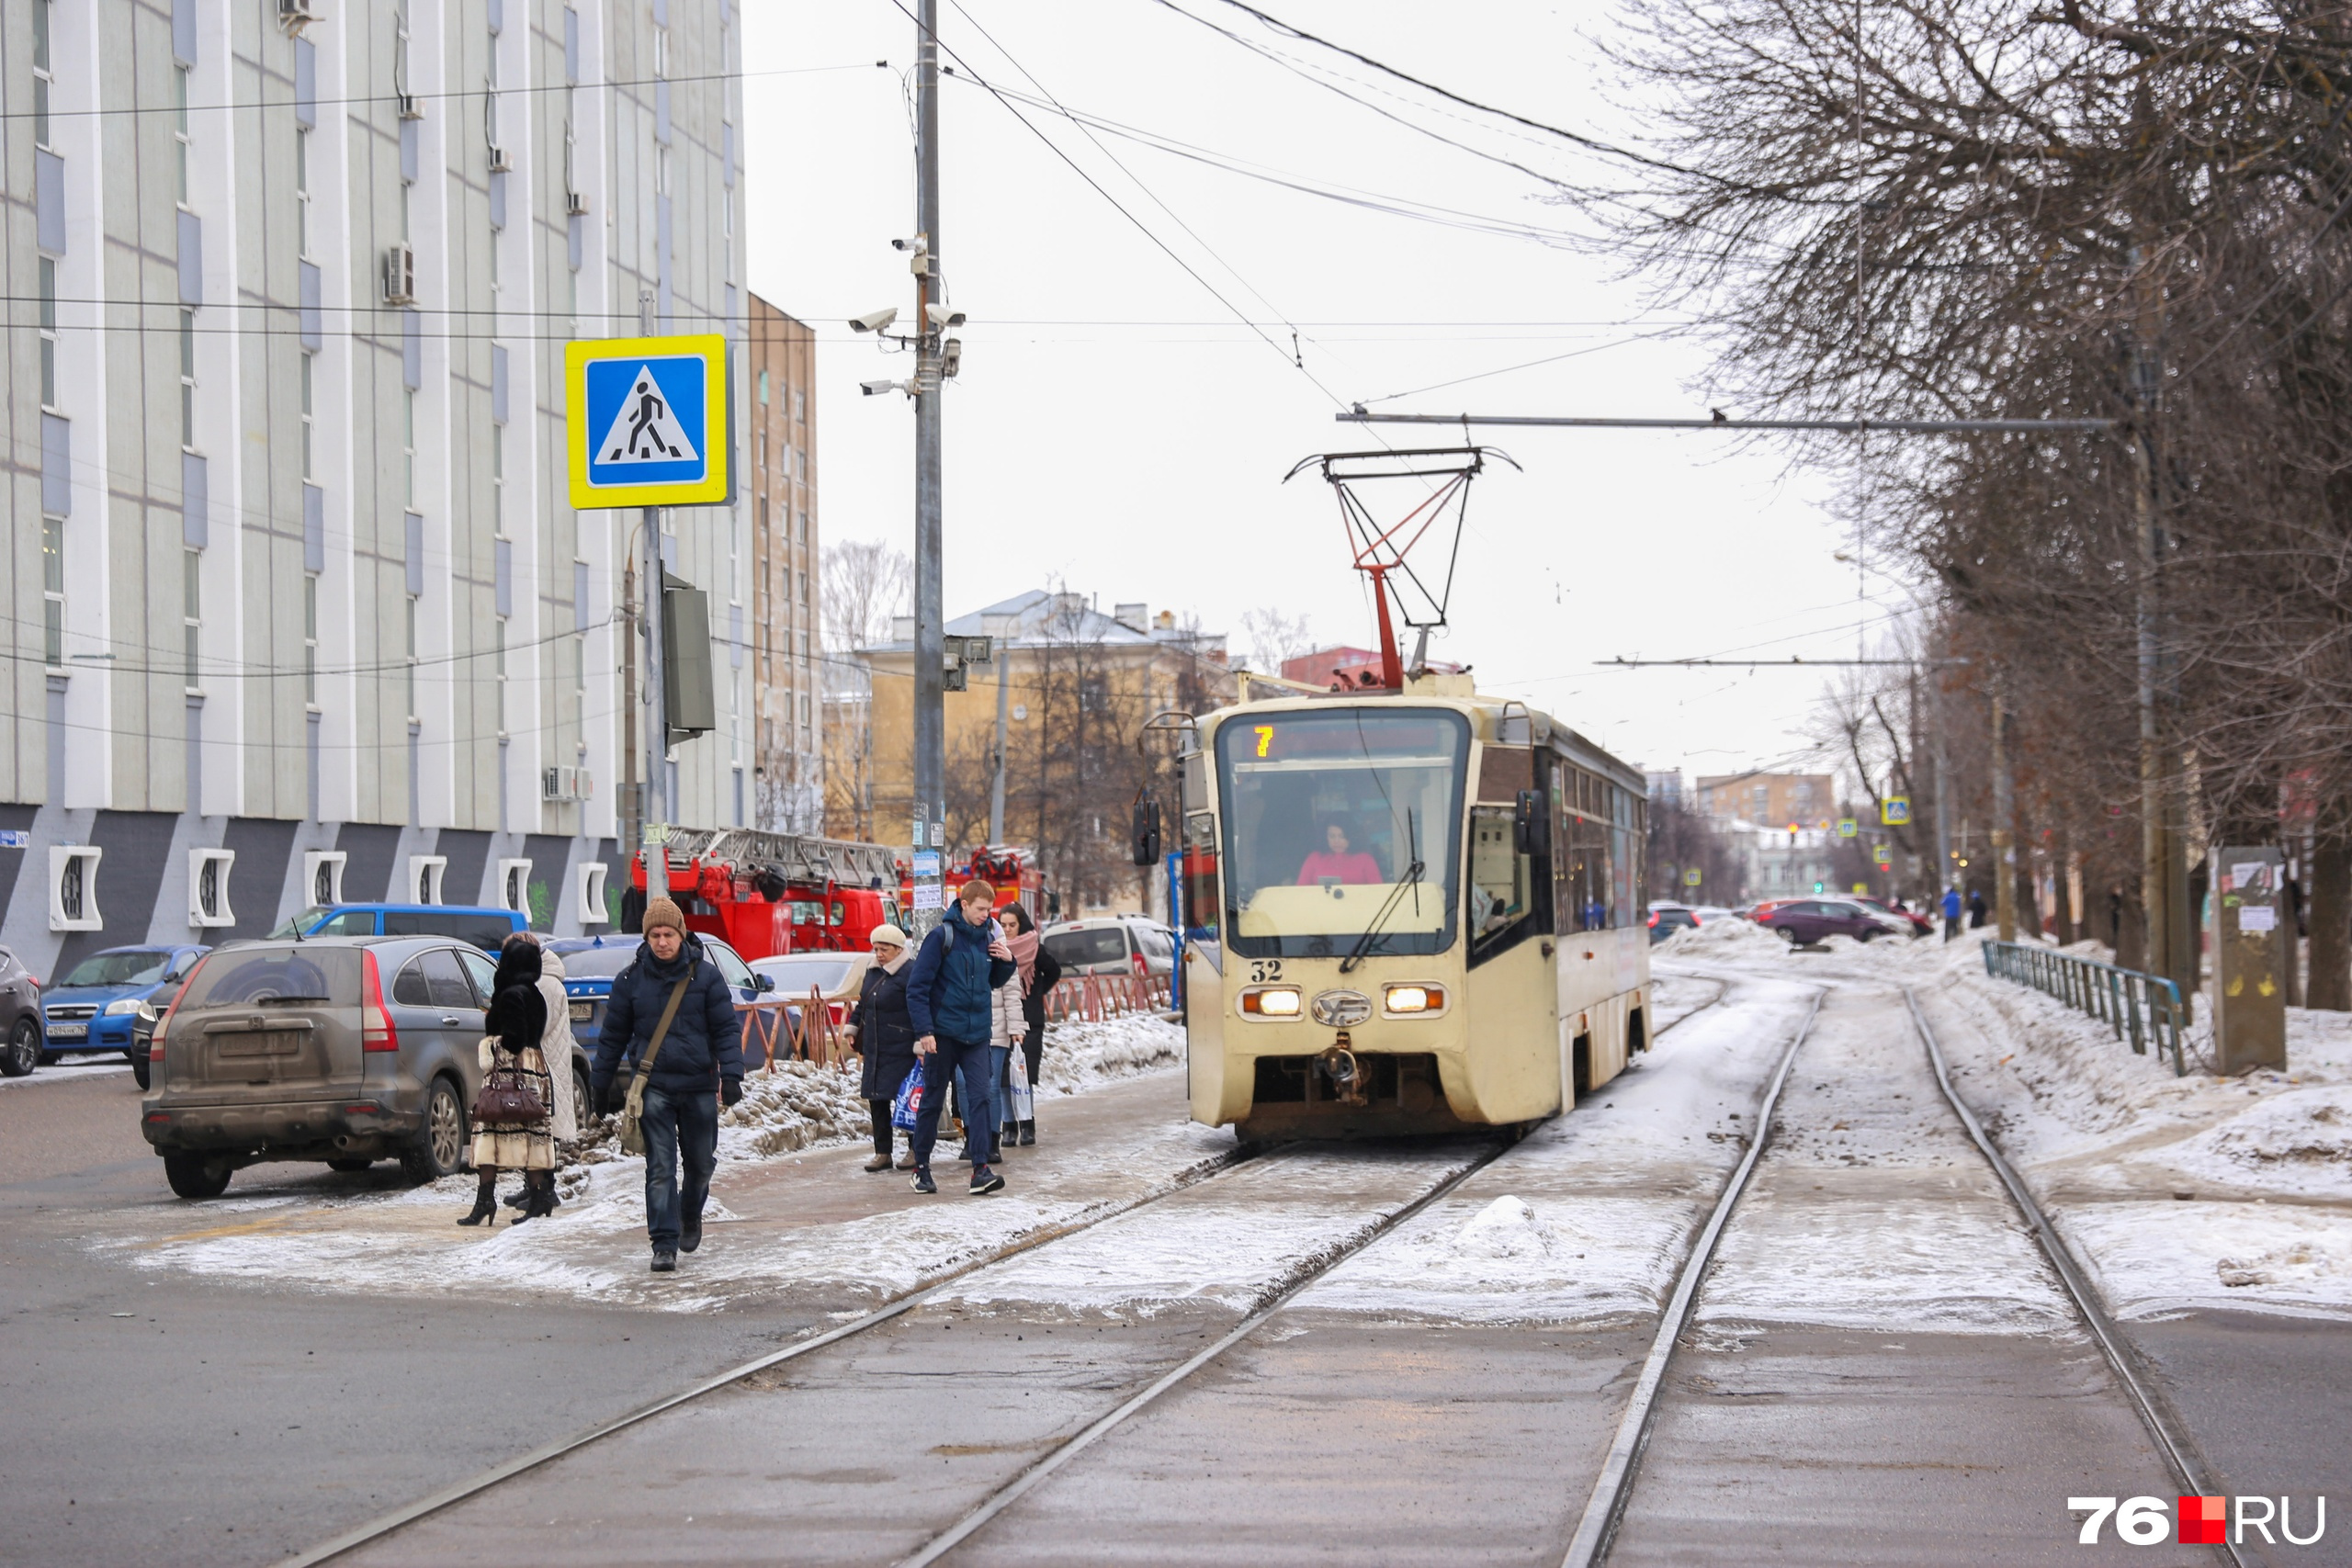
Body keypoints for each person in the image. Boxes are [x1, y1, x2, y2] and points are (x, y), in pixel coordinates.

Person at [590, 897, 744, 1272]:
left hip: (699, 1086)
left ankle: (690, 1212)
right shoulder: (629, 981)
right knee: (660, 1167)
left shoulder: (706, 977)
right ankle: (663, 1243)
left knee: (701, 1165)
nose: (662, 941)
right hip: (654, 1086)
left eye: (669, 934)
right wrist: (600, 1082)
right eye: (655, 934)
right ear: (647, 937)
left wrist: (733, 1075)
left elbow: (726, 1028)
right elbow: (613, 1035)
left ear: (681, 935)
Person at [905, 879, 1016, 1196]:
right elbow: (917, 988)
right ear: (964, 905)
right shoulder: (941, 937)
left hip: (978, 1034)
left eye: (989, 909)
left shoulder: (987, 938)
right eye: (981, 909)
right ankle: (921, 1167)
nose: (987, 915)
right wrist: (925, 1031)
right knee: (933, 1098)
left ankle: (980, 1168)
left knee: (980, 1096)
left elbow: (992, 981)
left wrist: (1007, 962)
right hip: (942, 1034)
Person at [459, 935, 557, 1226]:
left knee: (489, 1133)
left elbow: (512, 1039)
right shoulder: (534, 993)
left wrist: (490, 1048)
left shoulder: (510, 994)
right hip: (534, 1070)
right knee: (532, 1136)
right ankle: (538, 1199)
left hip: (509, 1074)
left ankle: (485, 1201)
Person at [500, 935, 582, 1213]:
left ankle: (545, 1191)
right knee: (535, 1129)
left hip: (542, 1065)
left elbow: (536, 1024)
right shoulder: (537, 979)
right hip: (540, 1064)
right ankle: (534, 1188)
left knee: (541, 1131)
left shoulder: (544, 983)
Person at [847, 925, 918, 1173]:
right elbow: (863, 1003)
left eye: (884, 949)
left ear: (899, 949)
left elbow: (920, 1007)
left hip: (903, 1047)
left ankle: (915, 1149)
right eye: (876, 948)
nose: (879, 954)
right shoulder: (873, 971)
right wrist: (853, 1027)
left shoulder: (910, 972)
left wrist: (922, 1040)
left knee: (908, 1100)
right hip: (876, 1046)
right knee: (877, 1100)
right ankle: (883, 1152)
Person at [1001, 903, 1057, 1148]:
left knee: (1025, 1075)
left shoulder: (1034, 948)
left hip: (1030, 1021)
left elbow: (1054, 970)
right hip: (1002, 1021)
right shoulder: (996, 948)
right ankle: (1008, 1128)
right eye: (1003, 925)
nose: (1007, 929)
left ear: (1021, 924)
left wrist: (1037, 993)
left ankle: (1027, 1126)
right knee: (1002, 1077)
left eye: (1012, 925)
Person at [1295, 820, 1384, 886]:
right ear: (1326, 837)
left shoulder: (1365, 859)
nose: (1336, 841)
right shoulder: (1314, 858)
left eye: (1342, 836)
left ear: (1351, 836)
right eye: (1332, 836)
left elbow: (1377, 890)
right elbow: (1301, 890)